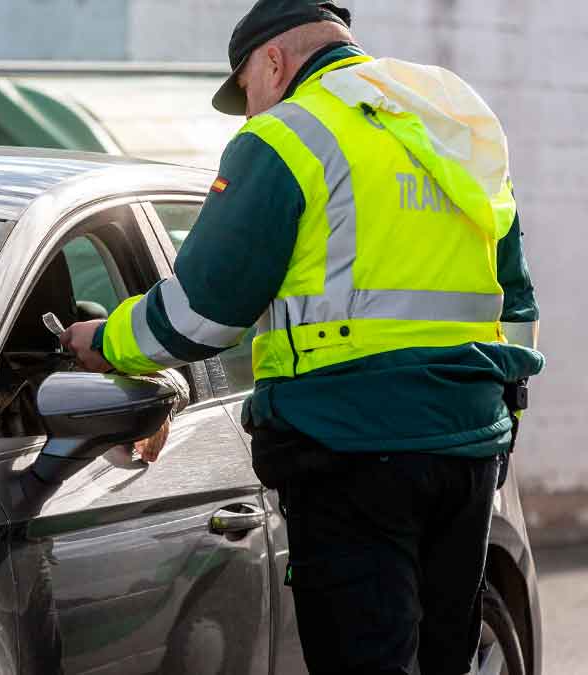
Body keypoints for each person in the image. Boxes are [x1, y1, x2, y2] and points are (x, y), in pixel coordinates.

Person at [60, 1, 544, 673]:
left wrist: (106, 341)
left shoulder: (290, 135)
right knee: (446, 658)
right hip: (466, 450)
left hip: (351, 453)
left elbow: (201, 315)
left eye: (248, 93)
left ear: (272, 61)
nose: (251, 111)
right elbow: (514, 293)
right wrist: (503, 413)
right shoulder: (449, 116)